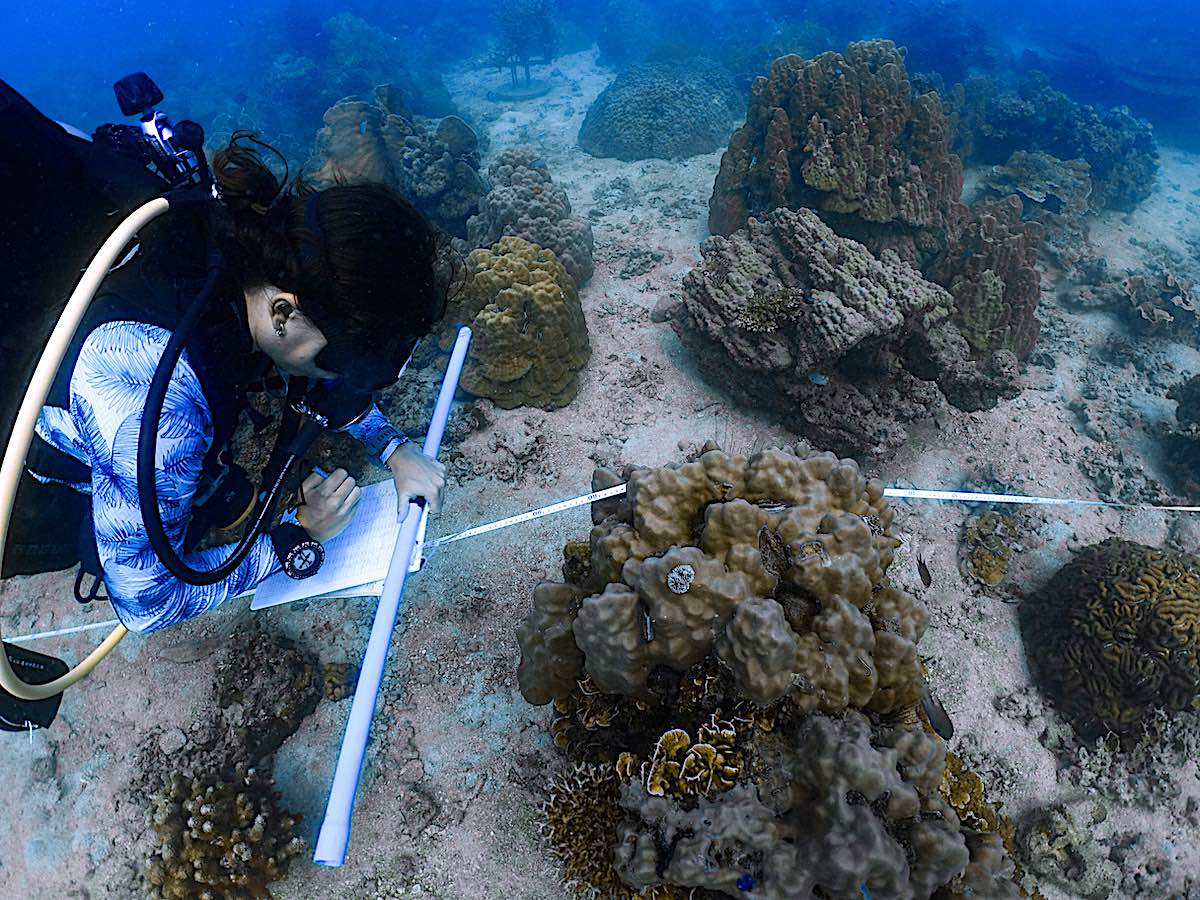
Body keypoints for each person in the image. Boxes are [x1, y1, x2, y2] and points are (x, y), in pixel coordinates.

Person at [4, 130, 448, 633]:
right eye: (351, 357)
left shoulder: (236, 239)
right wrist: (298, 536)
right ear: (285, 311)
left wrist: (393, 448)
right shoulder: (158, 402)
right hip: (29, 484)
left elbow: (311, 351)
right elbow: (146, 605)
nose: (350, 374)